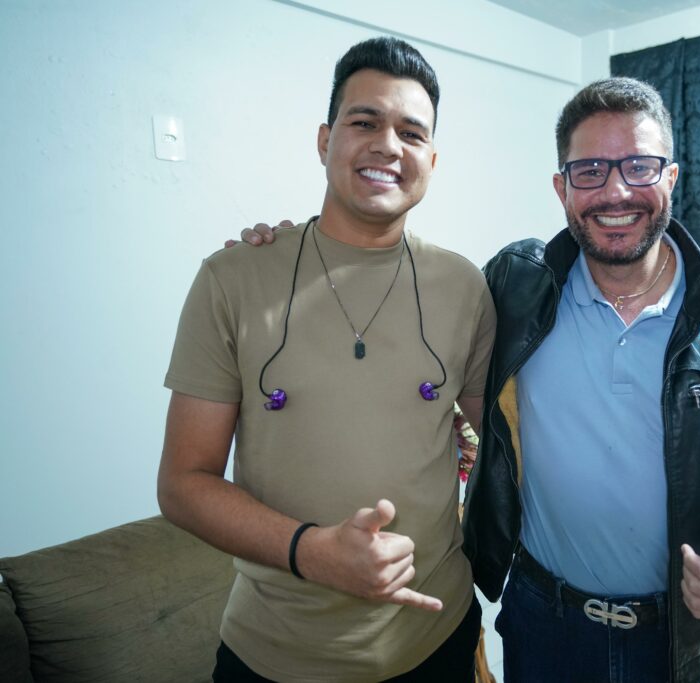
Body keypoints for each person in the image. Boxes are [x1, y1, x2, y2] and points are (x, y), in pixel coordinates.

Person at [238, 77, 700, 683]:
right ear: (562, 189)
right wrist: (291, 250)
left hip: (685, 640)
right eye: (589, 170)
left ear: (670, 177)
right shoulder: (514, 284)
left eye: (639, 167)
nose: (615, 190)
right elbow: (398, 301)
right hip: (545, 626)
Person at [159, 37, 495, 683]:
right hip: (277, 653)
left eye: (410, 132)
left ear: (431, 157)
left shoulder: (464, 284)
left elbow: (504, 438)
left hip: (439, 636)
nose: (387, 146)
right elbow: (183, 482)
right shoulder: (234, 276)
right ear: (325, 140)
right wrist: (310, 550)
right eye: (364, 122)